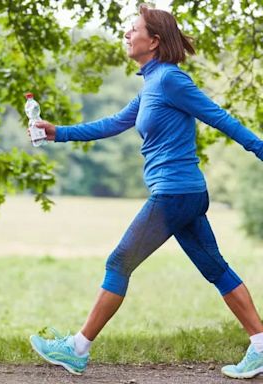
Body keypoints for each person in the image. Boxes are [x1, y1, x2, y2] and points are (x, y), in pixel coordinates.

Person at [29, 3, 263, 380]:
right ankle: (261, 345)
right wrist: (58, 133)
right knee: (215, 268)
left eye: (133, 28)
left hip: (174, 194)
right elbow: (112, 123)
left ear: (153, 41)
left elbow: (219, 117)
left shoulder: (171, 80)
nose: (127, 33)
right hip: (183, 195)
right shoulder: (151, 85)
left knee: (119, 262)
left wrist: (260, 149)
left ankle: (77, 349)